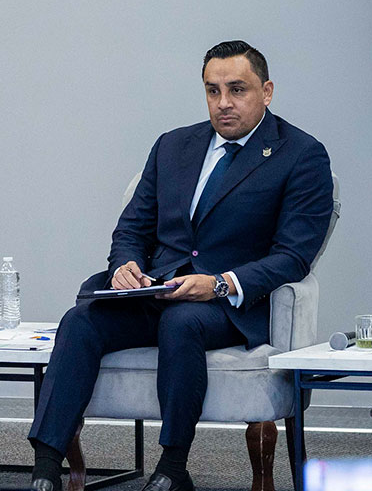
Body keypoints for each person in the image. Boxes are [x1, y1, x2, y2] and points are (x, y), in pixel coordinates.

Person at [28, 40, 335, 491]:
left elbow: (293, 255)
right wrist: (126, 266)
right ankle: (45, 466)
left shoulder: (301, 155)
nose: (223, 102)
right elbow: (132, 228)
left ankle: (173, 468)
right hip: (155, 291)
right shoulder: (172, 146)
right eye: (213, 90)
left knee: (182, 323)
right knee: (81, 321)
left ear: (266, 91)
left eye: (237, 90)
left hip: (226, 305)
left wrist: (220, 283)